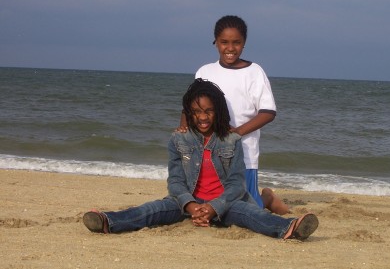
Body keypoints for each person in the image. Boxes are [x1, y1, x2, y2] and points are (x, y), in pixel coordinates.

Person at [83, 79, 318, 240]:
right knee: (151, 210)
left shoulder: (231, 140)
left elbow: (237, 185)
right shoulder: (178, 140)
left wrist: (213, 208)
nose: (203, 117)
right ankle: (107, 221)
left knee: (253, 215)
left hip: (225, 205)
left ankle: (290, 228)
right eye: (196, 112)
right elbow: (175, 182)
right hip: (186, 202)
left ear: (219, 111)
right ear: (189, 113)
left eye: (209, 111)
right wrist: (193, 206)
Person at [179, 15, 289, 214]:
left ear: (244, 44)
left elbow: (268, 112)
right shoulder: (205, 71)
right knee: (211, 205)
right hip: (209, 153)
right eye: (224, 42)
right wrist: (184, 129)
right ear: (216, 43)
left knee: (246, 209)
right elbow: (190, 106)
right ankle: (264, 199)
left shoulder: (254, 72)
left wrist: (236, 133)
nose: (230, 48)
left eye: (236, 43)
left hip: (244, 152)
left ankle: (267, 198)